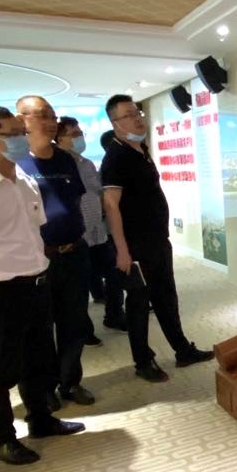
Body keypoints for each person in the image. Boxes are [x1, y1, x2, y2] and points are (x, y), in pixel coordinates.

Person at [0, 106, 84, 465]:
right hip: (1, 288)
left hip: (38, 280)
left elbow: (33, 230)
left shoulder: (25, 180)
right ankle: (2, 439)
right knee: (3, 368)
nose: (22, 139)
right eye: (12, 134)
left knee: (39, 359)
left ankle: (40, 419)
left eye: (22, 132)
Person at [99, 95, 214, 383]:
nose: (137, 118)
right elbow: (111, 204)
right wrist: (122, 250)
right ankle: (143, 361)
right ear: (115, 123)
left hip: (157, 241)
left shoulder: (140, 150)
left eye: (137, 113)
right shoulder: (116, 157)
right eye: (128, 115)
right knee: (139, 303)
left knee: (166, 297)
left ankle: (182, 349)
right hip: (135, 246)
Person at [14, 95, 97, 408]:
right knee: (39, 327)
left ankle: (70, 381)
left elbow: (75, 201)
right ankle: (44, 388)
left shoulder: (66, 160)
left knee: (74, 322)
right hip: (38, 258)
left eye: (52, 115)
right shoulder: (16, 164)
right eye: (42, 115)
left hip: (74, 252)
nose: (51, 122)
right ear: (21, 120)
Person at [56, 115, 121, 341]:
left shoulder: (87, 163)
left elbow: (98, 191)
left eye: (80, 133)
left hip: (98, 231)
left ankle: (114, 316)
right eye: (74, 134)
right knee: (79, 287)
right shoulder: (58, 165)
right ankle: (84, 331)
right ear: (59, 139)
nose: (79, 138)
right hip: (77, 236)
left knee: (114, 274)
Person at [97, 129, 127, 329]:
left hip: (117, 229)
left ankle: (115, 311)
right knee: (114, 274)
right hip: (110, 231)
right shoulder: (109, 169)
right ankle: (114, 313)